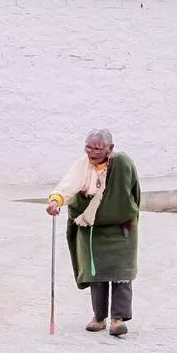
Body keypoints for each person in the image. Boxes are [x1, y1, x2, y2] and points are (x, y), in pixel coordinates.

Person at [46, 129, 141, 336]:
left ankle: (118, 318)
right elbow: (68, 184)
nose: (92, 153)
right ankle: (99, 317)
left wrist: (120, 211)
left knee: (121, 275)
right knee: (96, 274)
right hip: (93, 228)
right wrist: (56, 201)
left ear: (110, 148)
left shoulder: (122, 164)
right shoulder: (83, 164)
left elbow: (133, 194)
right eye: (88, 147)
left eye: (97, 148)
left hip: (120, 227)